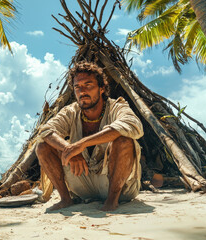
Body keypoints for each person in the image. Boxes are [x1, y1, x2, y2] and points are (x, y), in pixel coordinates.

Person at [35, 61, 143, 212]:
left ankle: (112, 201)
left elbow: (133, 125)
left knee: (124, 140)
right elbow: (46, 130)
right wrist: (69, 150)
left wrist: (81, 144)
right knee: (43, 146)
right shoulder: (71, 112)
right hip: (82, 183)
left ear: (102, 89)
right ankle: (66, 199)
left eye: (88, 85)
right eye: (77, 87)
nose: (82, 91)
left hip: (119, 188)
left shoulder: (116, 107)